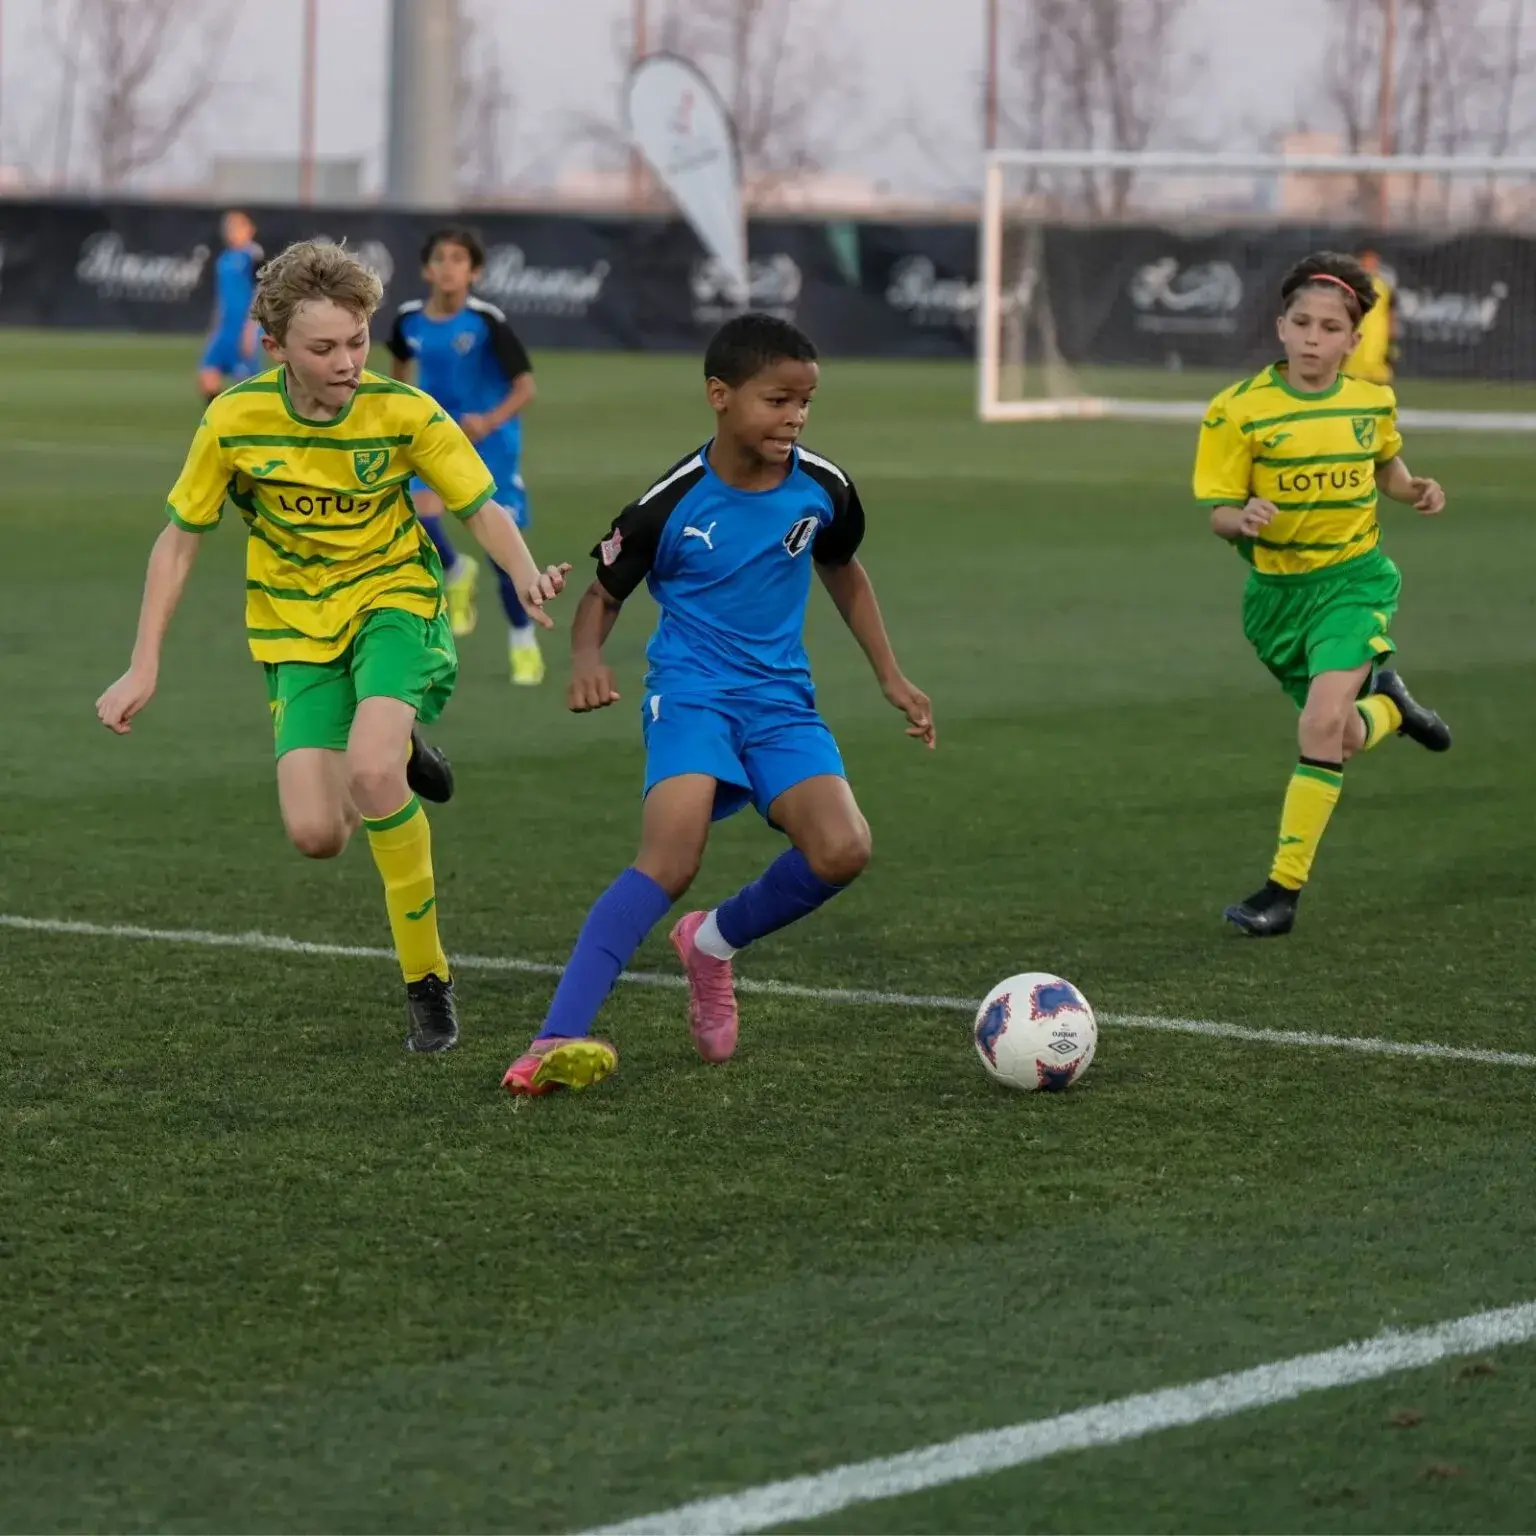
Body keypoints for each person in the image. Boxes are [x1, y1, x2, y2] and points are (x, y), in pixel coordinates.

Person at [97, 239, 569, 1050]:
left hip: (394, 601)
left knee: (374, 771)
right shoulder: (235, 420)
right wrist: (145, 662)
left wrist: (523, 573)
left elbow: (479, 507)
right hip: (293, 626)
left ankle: (428, 982)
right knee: (318, 835)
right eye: (324, 349)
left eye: (357, 341)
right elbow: (178, 542)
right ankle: (398, 742)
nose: (349, 361)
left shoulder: (407, 413)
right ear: (275, 348)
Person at [501, 313, 934, 1096]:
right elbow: (601, 595)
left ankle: (713, 944)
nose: (795, 418)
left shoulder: (825, 487)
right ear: (720, 396)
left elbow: (844, 569)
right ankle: (554, 1037)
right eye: (778, 400)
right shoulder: (669, 505)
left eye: (805, 403)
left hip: (781, 702)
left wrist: (890, 676)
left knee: (843, 849)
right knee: (672, 859)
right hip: (691, 694)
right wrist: (587, 659)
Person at [1194, 251, 1450, 939]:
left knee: (1315, 726)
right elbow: (1217, 510)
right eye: (1301, 323)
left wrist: (1416, 488)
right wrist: (1239, 518)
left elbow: (1387, 470)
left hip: (1353, 583)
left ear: (1353, 340)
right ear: (1280, 327)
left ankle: (1281, 892)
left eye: (1330, 327)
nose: (1314, 338)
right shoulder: (1237, 412)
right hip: (1277, 601)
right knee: (1338, 734)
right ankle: (1391, 709)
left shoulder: (1372, 402)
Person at [387, 226, 545, 684]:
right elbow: (399, 378)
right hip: (435, 439)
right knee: (417, 514)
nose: (448, 267)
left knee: (503, 556)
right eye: (440, 258)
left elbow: (525, 387)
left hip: (491, 446)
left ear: (473, 271)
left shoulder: (486, 321)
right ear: (425, 269)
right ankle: (456, 569)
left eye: (459, 259)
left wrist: (488, 421)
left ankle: (523, 641)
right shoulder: (407, 320)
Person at [197, 210, 263, 401]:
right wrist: (213, 329)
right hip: (224, 328)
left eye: (237, 227)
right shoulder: (224, 259)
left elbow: (261, 294)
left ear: (250, 229)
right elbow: (222, 299)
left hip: (242, 327)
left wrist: (251, 330)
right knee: (207, 377)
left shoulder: (253, 256)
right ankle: (217, 420)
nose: (231, 231)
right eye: (229, 227)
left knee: (246, 385)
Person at [1345, 249, 1397, 384]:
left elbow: (1391, 312)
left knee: (1378, 378)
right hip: (1355, 336)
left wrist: (1392, 338)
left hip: (1378, 337)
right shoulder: (1350, 284)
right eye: (1366, 260)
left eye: (1372, 260)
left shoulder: (1384, 285)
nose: (1369, 264)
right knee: (1352, 376)